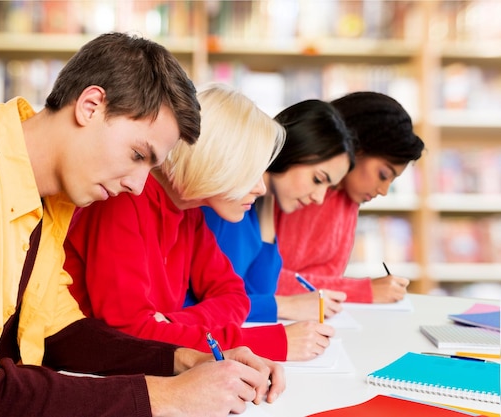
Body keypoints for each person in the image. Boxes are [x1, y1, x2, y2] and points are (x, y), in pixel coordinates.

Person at [0, 33, 285, 417]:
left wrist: (184, 361)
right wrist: (168, 397)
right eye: (138, 155)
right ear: (91, 106)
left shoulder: (49, 193)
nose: (139, 186)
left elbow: (60, 330)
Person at [65, 89, 349, 362]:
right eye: (252, 172)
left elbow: (235, 297)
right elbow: (129, 335)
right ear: (218, 158)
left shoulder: (190, 214)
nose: (261, 188)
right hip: (85, 369)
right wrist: (267, 342)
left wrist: (170, 324)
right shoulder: (123, 201)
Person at [198, 99, 356, 324]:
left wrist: (267, 203)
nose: (319, 198)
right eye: (318, 179)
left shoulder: (255, 207)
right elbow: (202, 305)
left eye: (328, 188)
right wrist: (287, 305)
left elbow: (260, 290)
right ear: (292, 150)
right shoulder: (223, 203)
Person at [275, 91, 425, 304]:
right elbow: (263, 281)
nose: (383, 190)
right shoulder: (298, 192)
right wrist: (361, 291)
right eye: (383, 175)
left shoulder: (348, 200)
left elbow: (327, 280)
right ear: (355, 148)